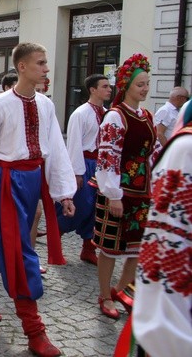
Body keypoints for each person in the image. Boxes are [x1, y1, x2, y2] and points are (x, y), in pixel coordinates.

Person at [0, 42, 76, 357]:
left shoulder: (45, 104)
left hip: (33, 179)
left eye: (45, 62)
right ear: (23, 67)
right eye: (41, 63)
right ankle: (34, 330)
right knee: (19, 248)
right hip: (9, 182)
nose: (46, 68)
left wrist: (63, 192)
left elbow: (54, 146)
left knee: (3, 239)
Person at [121, 99, 192, 357]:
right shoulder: (186, 148)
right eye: (140, 83)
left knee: (130, 245)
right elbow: (166, 250)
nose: (145, 88)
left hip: (140, 182)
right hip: (175, 332)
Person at [93, 54, 160, 320]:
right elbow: (108, 156)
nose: (144, 89)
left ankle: (121, 288)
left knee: (138, 246)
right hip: (119, 190)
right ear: (127, 86)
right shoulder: (115, 117)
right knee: (110, 246)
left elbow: (152, 153)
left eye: (147, 83)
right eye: (140, 84)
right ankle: (105, 295)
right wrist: (113, 194)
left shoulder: (147, 115)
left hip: (143, 190)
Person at [60, 74, 112, 266]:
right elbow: (74, 144)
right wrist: (76, 172)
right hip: (85, 162)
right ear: (92, 89)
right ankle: (57, 238)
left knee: (97, 208)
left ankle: (88, 248)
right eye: (104, 86)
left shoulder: (107, 113)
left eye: (109, 86)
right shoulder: (80, 114)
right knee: (82, 204)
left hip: (100, 165)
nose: (109, 90)